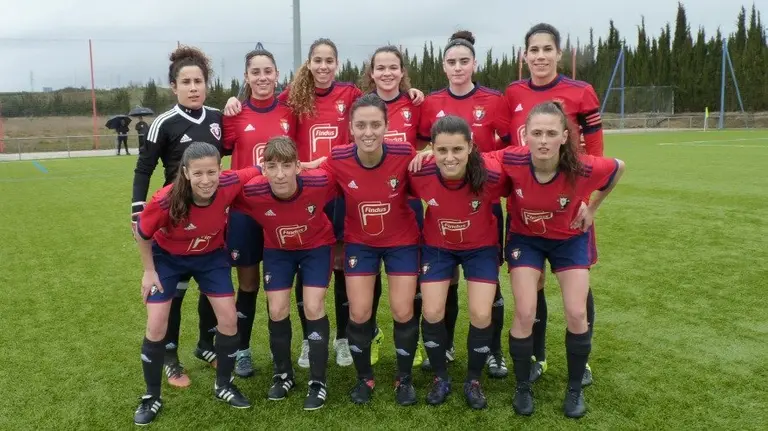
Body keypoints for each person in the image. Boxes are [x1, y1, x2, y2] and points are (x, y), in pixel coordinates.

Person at [224, 38, 425, 371]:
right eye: (317, 60)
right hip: (301, 189)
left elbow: (381, 98)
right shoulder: (293, 97)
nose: (323, 66)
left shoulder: (350, 94)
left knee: (343, 265)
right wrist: (236, 99)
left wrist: (410, 93)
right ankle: (306, 339)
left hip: (343, 190)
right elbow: (264, 100)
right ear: (308, 64)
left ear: (337, 64)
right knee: (294, 264)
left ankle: (344, 338)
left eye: (329, 60)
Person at [494, 101, 624, 418]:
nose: (543, 140)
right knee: (525, 312)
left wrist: (592, 208)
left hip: (569, 238)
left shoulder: (583, 166)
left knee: (577, 312)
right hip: (526, 239)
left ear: (564, 137)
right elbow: (470, 157)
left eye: (551, 133)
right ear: (525, 135)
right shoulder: (511, 158)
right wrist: (429, 154)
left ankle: (574, 388)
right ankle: (522, 386)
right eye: (537, 133)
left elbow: (618, 167)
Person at [496, 23, 605, 386]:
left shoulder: (581, 92)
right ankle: (537, 356)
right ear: (524, 55)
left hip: (570, 206)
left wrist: (586, 202)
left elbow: (596, 154)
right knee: (533, 284)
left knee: (577, 283)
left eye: (547, 49)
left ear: (559, 53)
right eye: (534, 50)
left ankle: (581, 362)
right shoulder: (513, 93)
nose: (540, 56)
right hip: (526, 205)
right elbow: (503, 144)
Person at [132, 142, 258, 425]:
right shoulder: (166, 199)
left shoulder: (229, 182)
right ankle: (151, 396)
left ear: (220, 170)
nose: (206, 180)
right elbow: (142, 233)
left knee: (229, 319)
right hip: (167, 259)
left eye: (211, 172)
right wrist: (149, 271)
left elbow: (260, 169)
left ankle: (223, 385)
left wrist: (305, 167)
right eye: (198, 173)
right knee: (156, 324)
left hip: (210, 257)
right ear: (186, 173)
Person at [416, 30, 509, 377]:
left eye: (464, 61)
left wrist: (485, 166)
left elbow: (511, 149)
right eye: (452, 62)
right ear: (443, 66)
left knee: (488, 281)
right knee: (447, 279)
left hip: (483, 197)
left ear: (474, 64)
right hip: (445, 200)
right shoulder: (431, 102)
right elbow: (423, 146)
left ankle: (494, 351)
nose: (458, 68)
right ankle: (446, 345)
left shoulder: (494, 100)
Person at [131, 46, 222, 388]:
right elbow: (144, 168)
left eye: (199, 81)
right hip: (174, 219)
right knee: (175, 292)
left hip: (211, 216)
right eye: (186, 82)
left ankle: (206, 344)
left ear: (207, 84)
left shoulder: (217, 118)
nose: (193, 87)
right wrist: (137, 210)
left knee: (211, 288)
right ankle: (170, 356)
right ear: (174, 87)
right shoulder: (163, 123)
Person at [321, 93, 421, 406]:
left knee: (403, 310)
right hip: (360, 243)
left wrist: (431, 154)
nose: (368, 132)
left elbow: (432, 171)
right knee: (360, 312)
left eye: (375, 125)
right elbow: (314, 177)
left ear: (386, 126)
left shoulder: (404, 153)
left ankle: (404, 378)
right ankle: (364, 377)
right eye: (361, 125)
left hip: (402, 241)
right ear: (350, 128)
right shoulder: (338, 157)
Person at [407, 115, 510, 409]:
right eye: (442, 150)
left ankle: (473, 380)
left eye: (457, 149)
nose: (449, 157)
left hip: (480, 248)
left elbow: (522, 176)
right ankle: (440, 377)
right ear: (432, 148)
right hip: (438, 247)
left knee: (481, 312)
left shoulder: (492, 173)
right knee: (432, 310)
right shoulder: (420, 172)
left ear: (470, 147)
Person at [233, 136, 335, 411]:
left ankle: (318, 381)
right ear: (263, 168)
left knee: (313, 306)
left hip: (316, 247)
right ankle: (283, 375)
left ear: (298, 167)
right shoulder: (252, 190)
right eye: (272, 166)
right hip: (277, 250)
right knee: (277, 309)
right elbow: (220, 188)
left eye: (286, 165)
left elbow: (348, 171)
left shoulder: (319, 182)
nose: (280, 174)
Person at [221, 47, 298, 378]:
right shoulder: (234, 114)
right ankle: (242, 350)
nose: (263, 77)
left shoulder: (291, 111)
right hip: (245, 211)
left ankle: (282, 352)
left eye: (268, 71)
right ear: (246, 77)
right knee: (249, 283)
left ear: (277, 74)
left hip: (283, 209)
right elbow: (219, 153)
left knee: (279, 284)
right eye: (256, 72)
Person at [359, 45, 425, 367]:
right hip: (367, 201)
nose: (387, 73)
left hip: (407, 202)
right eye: (380, 68)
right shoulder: (360, 105)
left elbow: (424, 145)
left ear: (402, 71)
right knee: (366, 276)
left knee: (411, 278)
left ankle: (415, 340)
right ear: (371, 73)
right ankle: (372, 333)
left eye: (393, 67)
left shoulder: (415, 104)